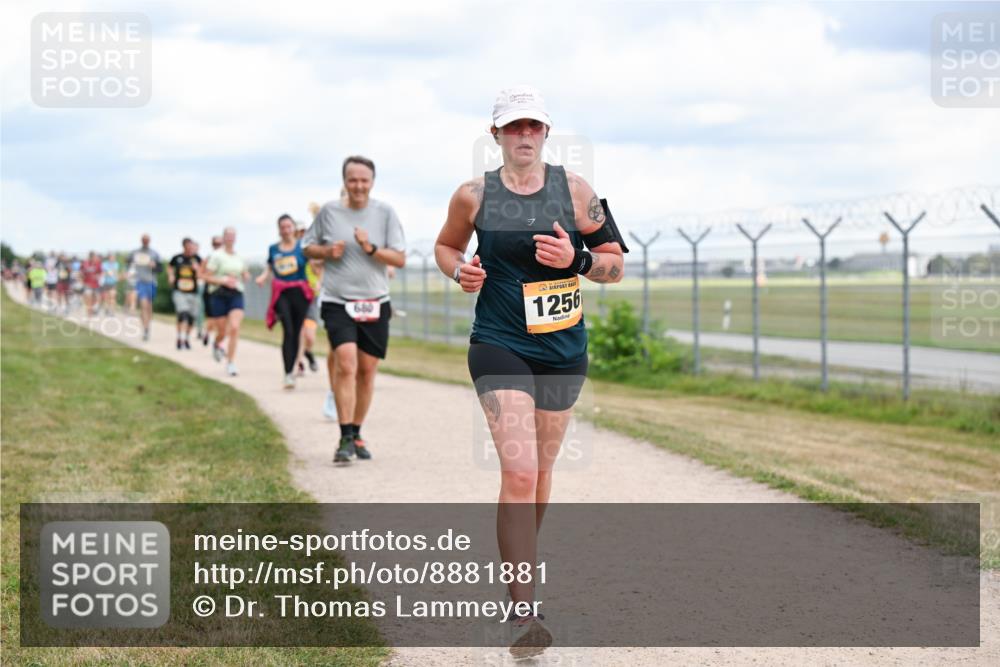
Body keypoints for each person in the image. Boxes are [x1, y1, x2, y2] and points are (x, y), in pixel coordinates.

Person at [434, 86, 625, 658]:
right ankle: (523, 611)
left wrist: (578, 259)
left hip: (563, 350)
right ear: (495, 134)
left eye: (533, 126)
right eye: (513, 126)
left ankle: (518, 565)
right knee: (519, 472)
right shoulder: (473, 195)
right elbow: (446, 247)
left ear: (546, 132)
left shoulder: (576, 191)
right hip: (499, 344)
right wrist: (460, 271)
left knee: (540, 474)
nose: (524, 135)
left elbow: (615, 264)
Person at [302, 156, 406, 463]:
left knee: (367, 370)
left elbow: (399, 259)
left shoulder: (385, 213)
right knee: (346, 364)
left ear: (372, 182)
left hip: (375, 301)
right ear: (344, 182)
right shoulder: (329, 212)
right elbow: (307, 247)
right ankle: (345, 436)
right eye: (353, 180)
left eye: (364, 180)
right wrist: (326, 251)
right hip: (338, 300)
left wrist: (370, 247)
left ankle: (357, 433)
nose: (358, 186)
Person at [257, 214, 313, 388]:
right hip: (281, 292)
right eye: (283, 227)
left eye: (289, 226)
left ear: (294, 228)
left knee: (296, 331)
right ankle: (288, 373)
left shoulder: (303, 247)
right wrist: (263, 277)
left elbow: (315, 265)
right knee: (287, 330)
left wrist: (320, 279)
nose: (286, 230)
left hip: (300, 293)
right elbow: (270, 267)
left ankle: (295, 366)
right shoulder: (273, 249)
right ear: (279, 230)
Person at [203, 227, 249, 376]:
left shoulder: (239, 257)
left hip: (236, 293)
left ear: (235, 238)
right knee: (222, 331)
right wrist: (222, 280)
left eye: (232, 236)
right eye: (227, 235)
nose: (230, 238)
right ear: (224, 238)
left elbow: (245, 274)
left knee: (234, 327)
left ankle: (230, 362)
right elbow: (206, 276)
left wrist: (245, 276)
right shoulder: (216, 256)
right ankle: (217, 343)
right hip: (219, 294)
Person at [168, 238, 203, 350]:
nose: (190, 249)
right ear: (184, 247)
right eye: (188, 247)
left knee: (191, 317)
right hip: (179, 291)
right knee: (183, 314)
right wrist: (171, 276)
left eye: (192, 247)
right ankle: (180, 338)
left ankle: (187, 338)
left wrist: (197, 269)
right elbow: (170, 267)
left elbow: (202, 274)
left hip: (193, 292)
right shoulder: (177, 258)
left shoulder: (197, 259)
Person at [127, 234, 162, 341]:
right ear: (141, 241)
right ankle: (145, 329)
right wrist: (130, 271)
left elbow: (160, 269)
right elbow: (127, 262)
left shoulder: (154, 253)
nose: (145, 242)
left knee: (149, 306)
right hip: (139, 281)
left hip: (151, 282)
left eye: (147, 240)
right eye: (144, 240)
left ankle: (148, 325)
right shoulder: (135, 252)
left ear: (149, 241)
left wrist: (154, 266)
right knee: (143, 305)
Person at [199, 235, 222, 346]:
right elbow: (200, 274)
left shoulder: (229, 258)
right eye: (216, 244)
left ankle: (218, 340)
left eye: (220, 244)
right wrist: (212, 279)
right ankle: (208, 332)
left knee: (223, 318)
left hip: (226, 291)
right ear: (212, 245)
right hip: (211, 291)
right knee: (212, 317)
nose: (218, 246)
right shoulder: (208, 258)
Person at [80, 251, 103, 315]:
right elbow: (81, 272)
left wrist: (98, 276)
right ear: (90, 257)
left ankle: (94, 308)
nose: (94, 259)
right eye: (93, 257)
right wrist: (81, 279)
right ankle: (89, 312)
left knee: (96, 298)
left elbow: (101, 272)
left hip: (96, 284)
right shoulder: (85, 263)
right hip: (87, 284)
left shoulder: (98, 264)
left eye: (95, 257)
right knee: (89, 298)